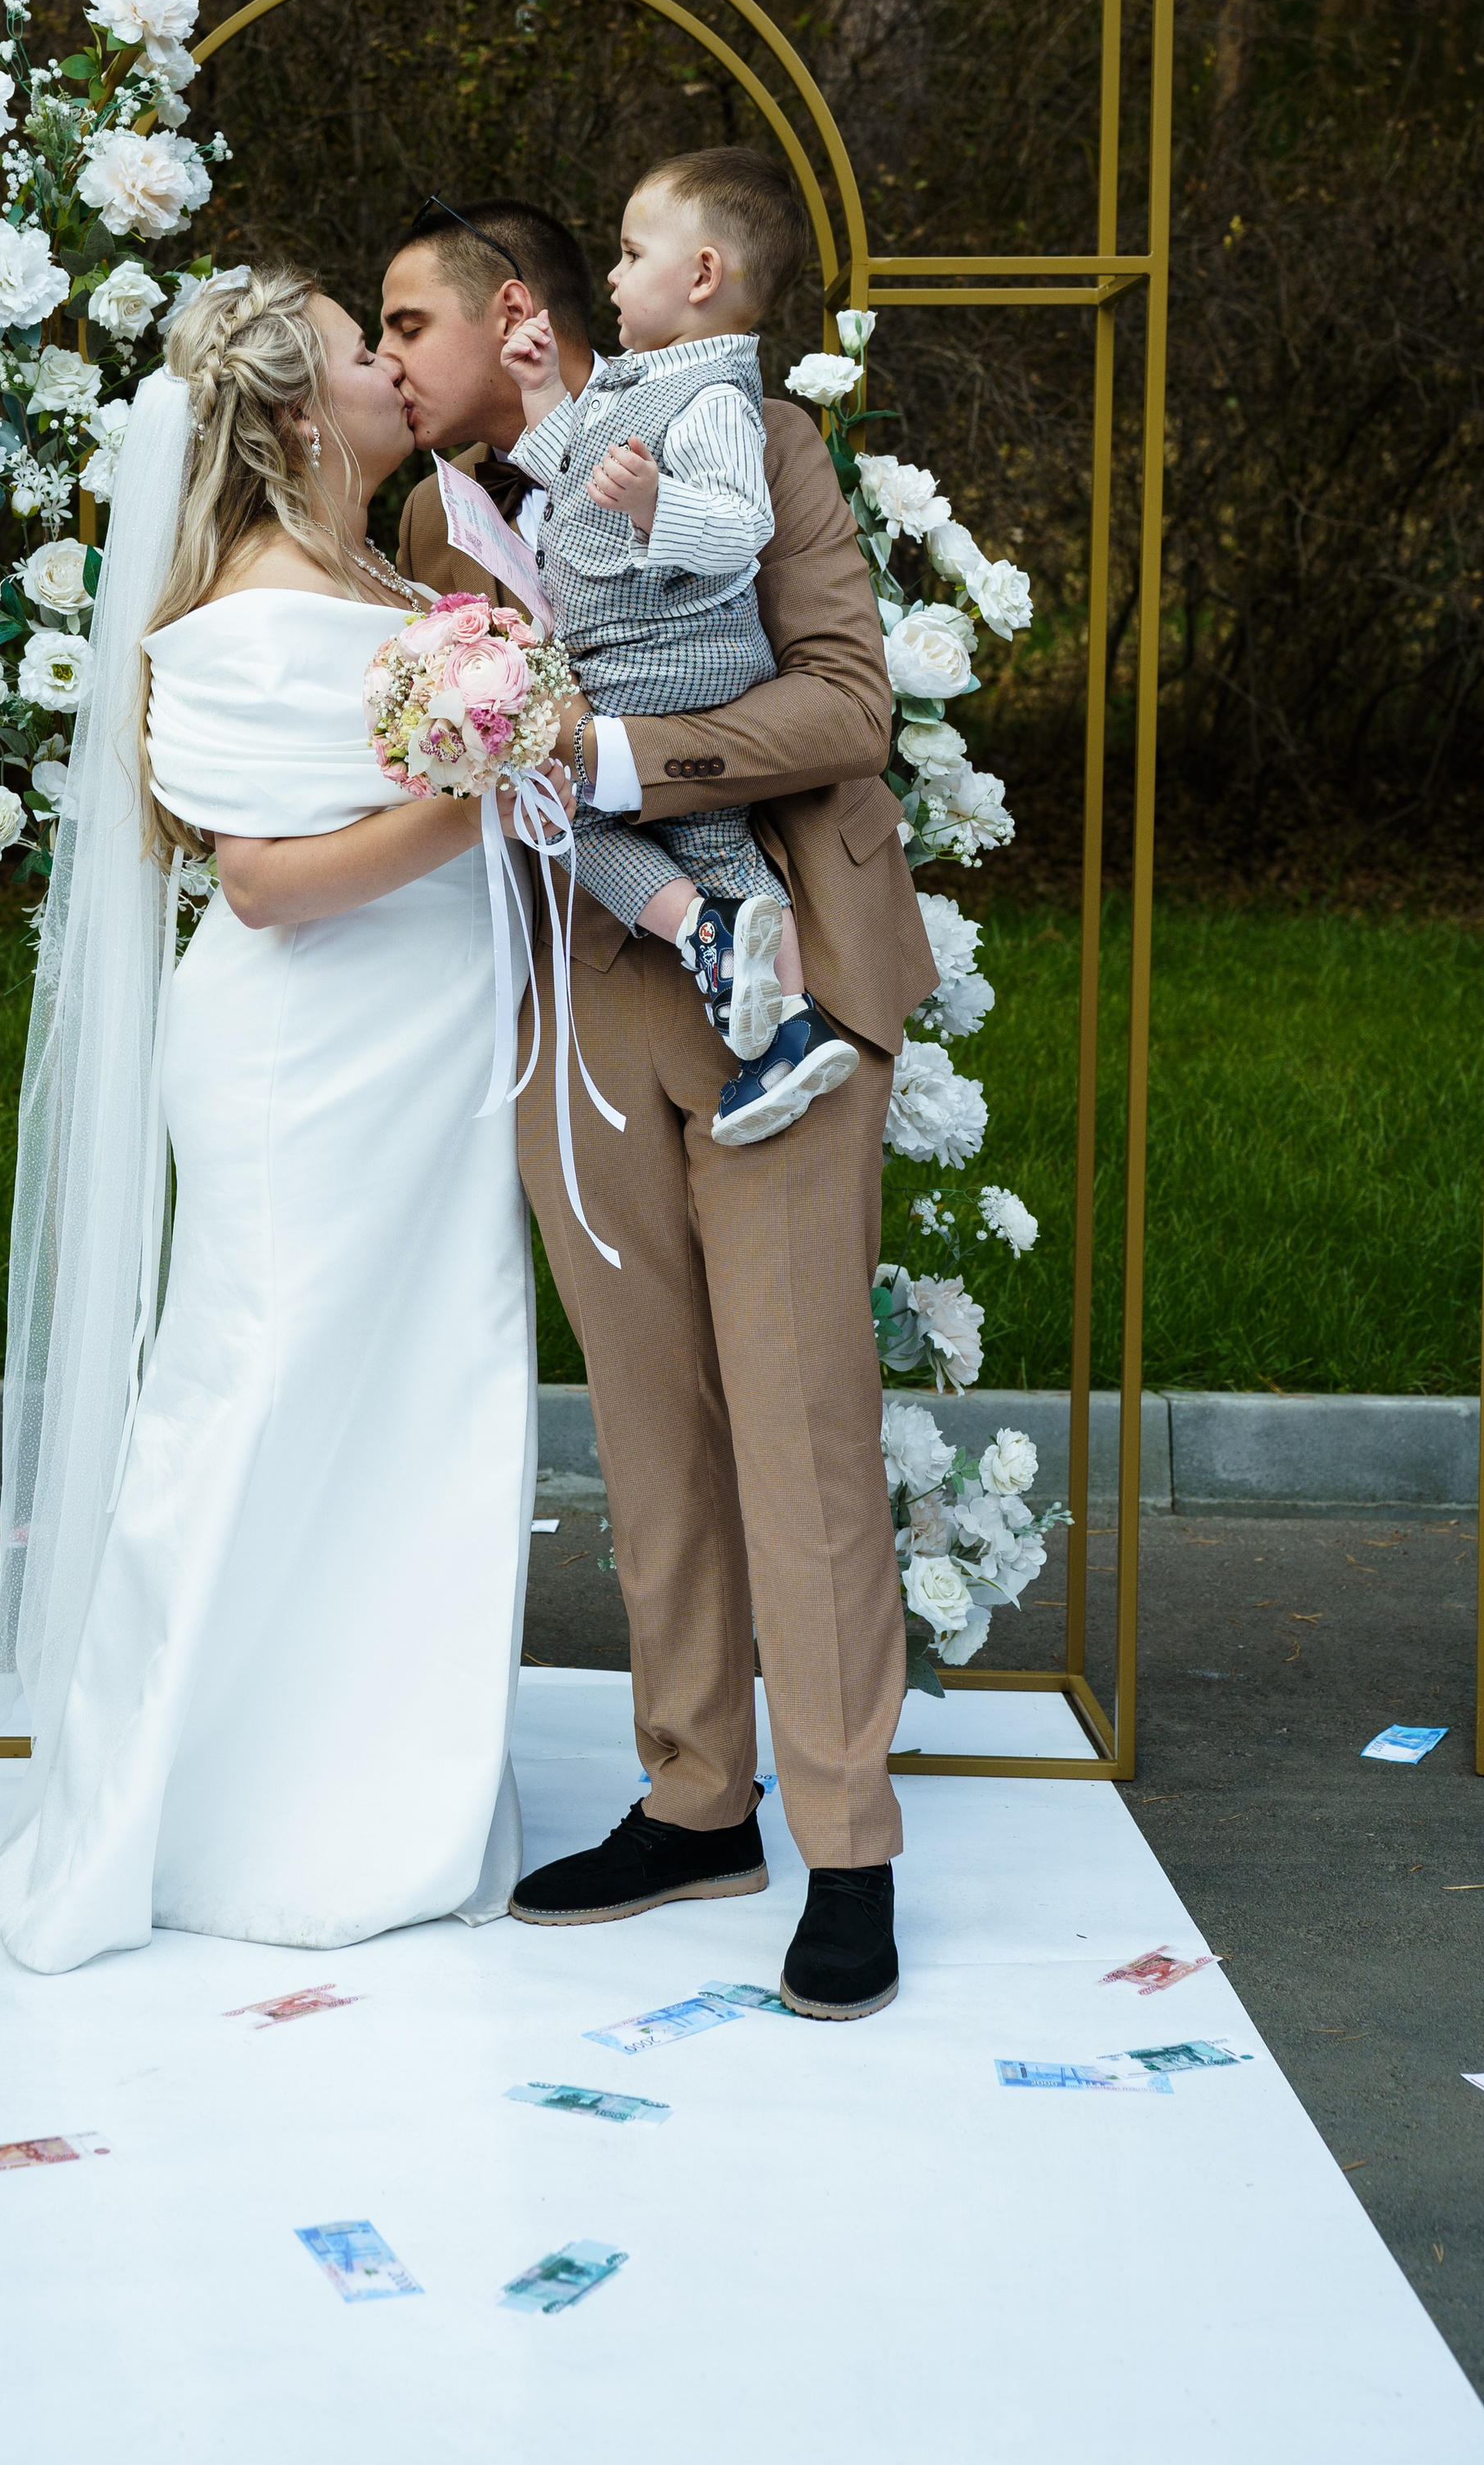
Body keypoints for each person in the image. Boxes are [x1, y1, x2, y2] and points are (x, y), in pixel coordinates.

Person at [383, 191, 938, 2021]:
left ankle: (843, 1844)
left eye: (415, 322)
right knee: (648, 1434)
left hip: (774, 968)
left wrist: (612, 755)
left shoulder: (737, 438)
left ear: (519, 314)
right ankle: (697, 1799)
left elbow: (844, 701)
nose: (398, 363)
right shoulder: (424, 523)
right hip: (579, 995)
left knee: (797, 1420)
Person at [0, 266, 538, 1975]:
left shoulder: (393, 569)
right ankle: (194, 1809)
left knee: (419, 1397)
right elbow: (265, 881)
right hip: (306, 1067)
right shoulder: (239, 608)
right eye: (361, 353)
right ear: (301, 415)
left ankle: (379, 1790)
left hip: (420, 1062)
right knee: (256, 1396)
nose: (394, 366)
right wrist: (482, 797)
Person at [496, 148, 859, 1146]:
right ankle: (787, 1031)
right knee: (713, 844)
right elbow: (570, 472)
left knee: (559, 818)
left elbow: (738, 524)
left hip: (663, 657)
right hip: (652, 655)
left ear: (700, 276)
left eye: (627, 253)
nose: (608, 278)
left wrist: (659, 505)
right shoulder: (636, 385)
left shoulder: (711, 398)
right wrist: (538, 399)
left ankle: (698, 932)